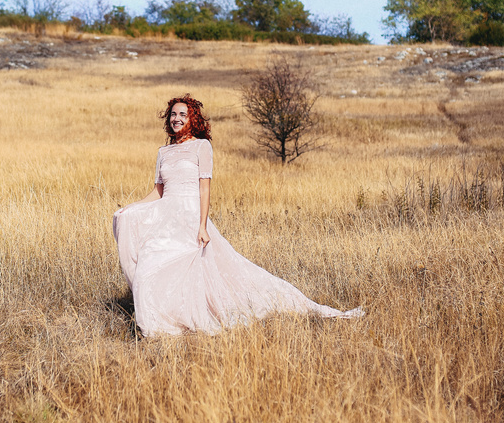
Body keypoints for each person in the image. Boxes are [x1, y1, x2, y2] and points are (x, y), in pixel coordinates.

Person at [113, 93, 365, 337]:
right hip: (166, 219)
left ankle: (186, 319)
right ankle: (160, 321)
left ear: (193, 119)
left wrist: (202, 226)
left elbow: (204, 188)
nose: (176, 119)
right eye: (173, 114)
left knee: (200, 271)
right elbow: (158, 191)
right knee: (151, 267)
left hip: (190, 217)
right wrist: (131, 207)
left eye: (182, 114)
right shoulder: (163, 152)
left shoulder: (201, 146)